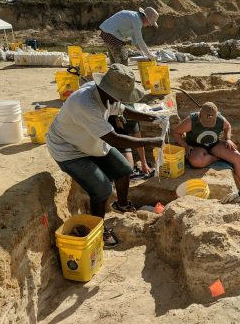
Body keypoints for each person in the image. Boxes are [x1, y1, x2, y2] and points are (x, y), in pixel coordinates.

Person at [46, 64, 163, 247]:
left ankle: (122, 205)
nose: (123, 99)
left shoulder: (105, 94)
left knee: (124, 169)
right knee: (101, 190)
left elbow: (123, 110)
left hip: (89, 141)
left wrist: (152, 117)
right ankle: (98, 230)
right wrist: (151, 141)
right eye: (121, 96)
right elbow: (115, 139)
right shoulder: (85, 105)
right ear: (109, 90)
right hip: (68, 149)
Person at [171, 102, 240, 199]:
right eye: (206, 122)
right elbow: (176, 132)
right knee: (196, 161)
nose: (208, 125)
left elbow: (228, 126)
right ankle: (215, 158)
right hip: (197, 147)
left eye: (211, 122)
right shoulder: (191, 120)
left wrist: (228, 139)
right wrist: (186, 146)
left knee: (236, 156)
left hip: (214, 145)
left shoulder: (220, 119)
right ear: (200, 115)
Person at [108, 113, 154, 179]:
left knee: (128, 170)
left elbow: (138, 140)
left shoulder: (132, 119)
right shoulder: (107, 117)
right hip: (106, 144)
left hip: (122, 141)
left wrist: (144, 163)